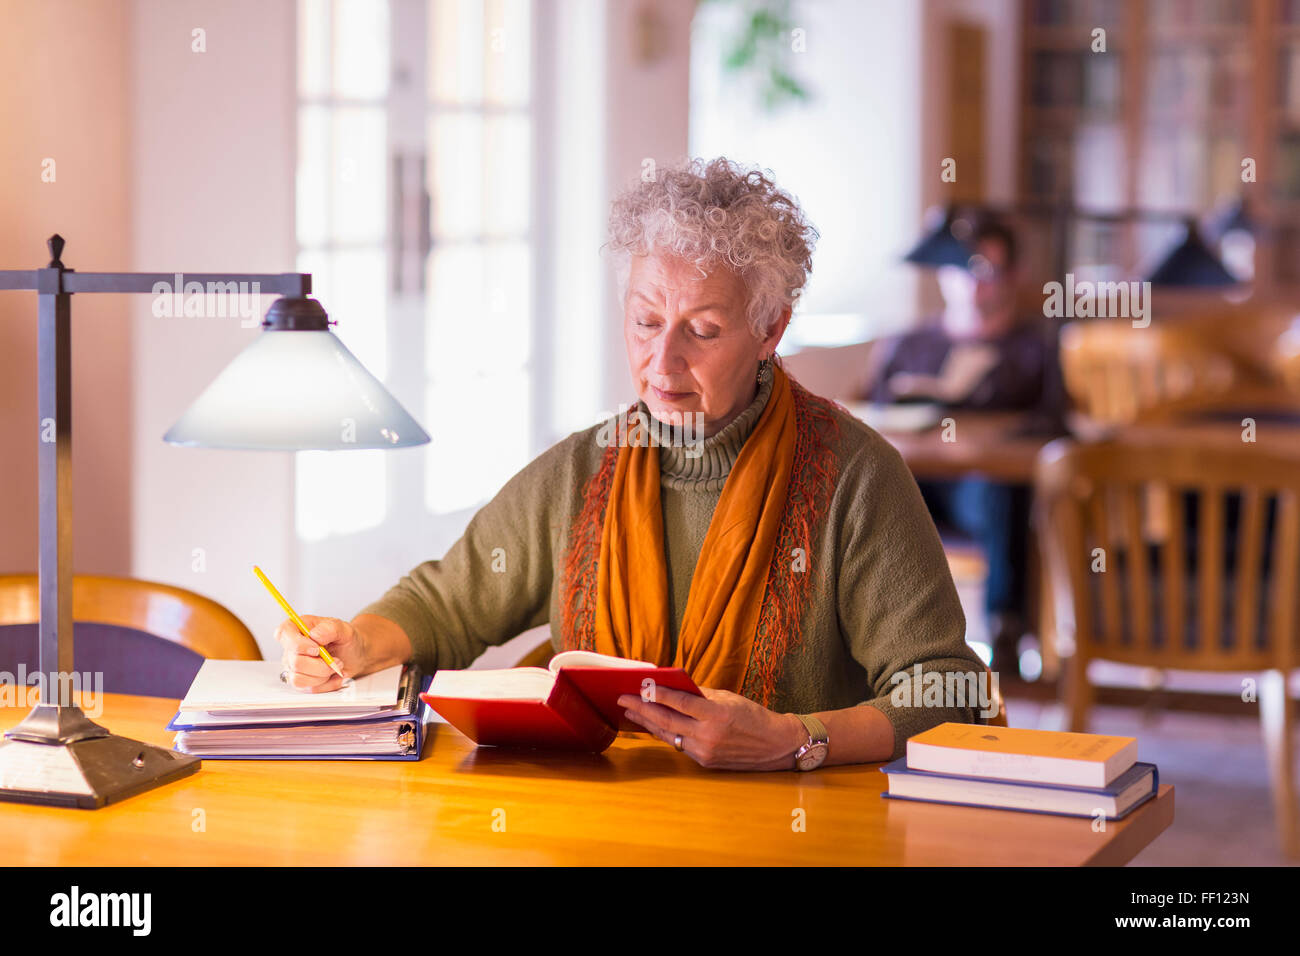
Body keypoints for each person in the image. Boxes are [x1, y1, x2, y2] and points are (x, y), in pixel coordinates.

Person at [277, 157, 991, 771]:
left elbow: (944, 690)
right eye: (646, 320)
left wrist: (794, 740)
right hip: (605, 831)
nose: (661, 361)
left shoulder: (855, 477)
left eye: (703, 330)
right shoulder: (580, 472)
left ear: (771, 328)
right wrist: (354, 641)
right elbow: (444, 605)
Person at [865, 219, 1059, 671]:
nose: (973, 284)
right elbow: (872, 420)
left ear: (1011, 275)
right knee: (871, 493)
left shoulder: (1034, 349)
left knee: (1000, 493)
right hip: (915, 482)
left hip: (982, 491)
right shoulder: (906, 345)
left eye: (986, 270)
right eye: (961, 269)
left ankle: (1004, 635)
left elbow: (1053, 422)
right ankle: (884, 643)